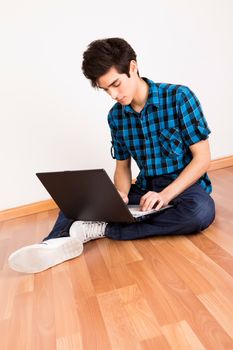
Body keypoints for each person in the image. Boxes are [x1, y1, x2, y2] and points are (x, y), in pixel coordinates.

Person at [8, 38, 215, 273]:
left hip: (184, 187)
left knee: (200, 213)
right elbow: (123, 167)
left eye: (116, 84)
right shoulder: (116, 117)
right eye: (106, 89)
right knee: (76, 202)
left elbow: (202, 158)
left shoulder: (179, 97)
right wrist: (122, 195)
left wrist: (165, 195)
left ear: (133, 68)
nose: (113, 94)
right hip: (145, 189)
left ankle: (102, 230)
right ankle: (52, 245)